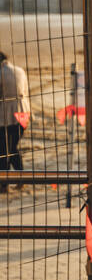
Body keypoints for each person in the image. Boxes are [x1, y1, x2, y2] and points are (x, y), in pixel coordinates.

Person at [0, 50, 30, 190]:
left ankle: (4, 183)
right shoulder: (19, 70)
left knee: (4, 149)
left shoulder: (1, 73)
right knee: (11, 147)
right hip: (23, 112)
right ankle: (19, 179)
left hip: (7, 115)